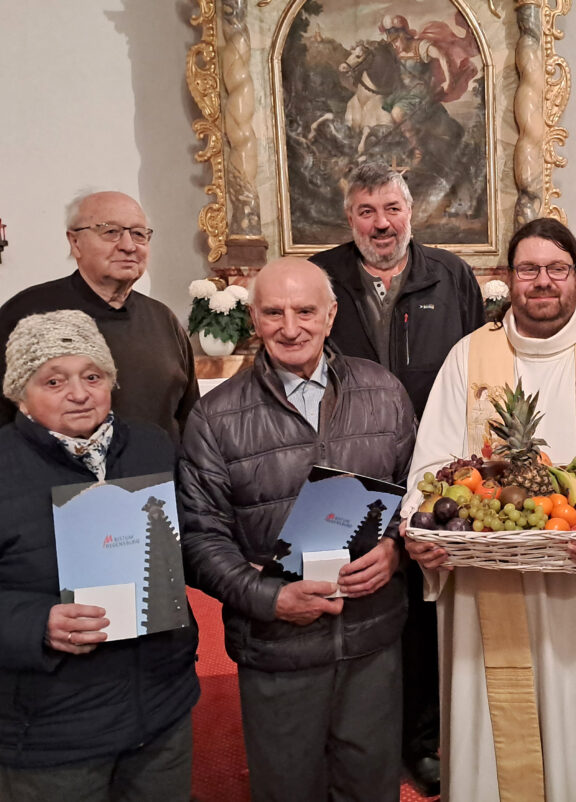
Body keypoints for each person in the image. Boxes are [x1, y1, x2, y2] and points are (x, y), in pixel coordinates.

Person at [404, 217, 576, 802]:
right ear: (508, 279)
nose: (543, 282)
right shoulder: (468, 358)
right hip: (491, 576)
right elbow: (431, 464)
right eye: (529, 269)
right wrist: (419, 528)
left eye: (557, 269)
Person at [0, 310, 199, 802]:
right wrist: (39, 623)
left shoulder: (151, 449)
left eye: (92, 376)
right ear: (20, 393)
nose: (79, 393)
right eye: (54, 380)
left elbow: (185, 543)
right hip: (53, 729)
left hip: (160, 709)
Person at [177, 257, 416, 802]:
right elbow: (199, 537)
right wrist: (270, 597)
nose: (290, 328)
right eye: (273, 312)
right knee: (288, 788)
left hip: (371, 638)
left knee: (372, 786)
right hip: (277, 646)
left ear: (330, 316)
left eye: (306, 311)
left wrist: (396, 548)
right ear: (253, 320)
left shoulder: (383, 391)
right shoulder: (215, 416)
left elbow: (419, 495)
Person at [310, 161, 483, 794]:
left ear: (412, 211)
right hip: (346, 469)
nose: (382, 224)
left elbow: (474, 373)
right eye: (366, 211)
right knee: (348, 600)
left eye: (392, 209)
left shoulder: (452, 275)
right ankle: (350, 737)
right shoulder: (322, 276)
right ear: (348, 216)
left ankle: (425, 738)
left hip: (433, 470)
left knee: (426, 608)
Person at [0, 190, 198, 455]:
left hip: (154, 490)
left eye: (139, 233)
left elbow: (188, 419)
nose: (129, 245)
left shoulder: (163, 319)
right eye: (111, 232)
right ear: (75, 242)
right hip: (54, 490)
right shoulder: (29, 312)